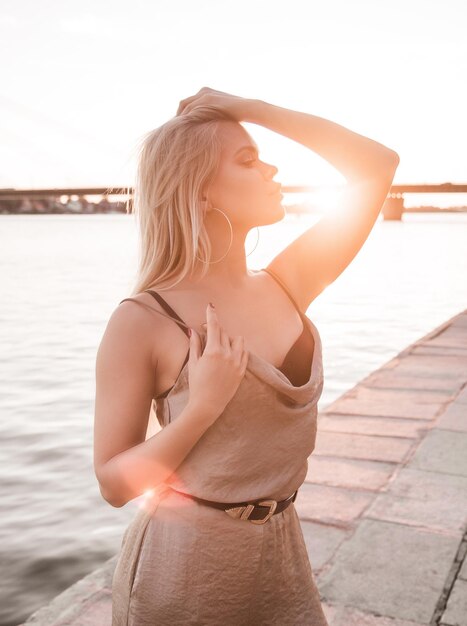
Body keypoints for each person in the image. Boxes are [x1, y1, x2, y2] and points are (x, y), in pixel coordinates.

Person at [93, 87, 399, 625]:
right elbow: (115, 484)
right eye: (248, 160)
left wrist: (247, 108)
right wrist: (203, 407)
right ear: (201, 192)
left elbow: (377, 166)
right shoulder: (143, 320)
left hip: (282, 555)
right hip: (185, 576)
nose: (272, 169)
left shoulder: (288, 283)